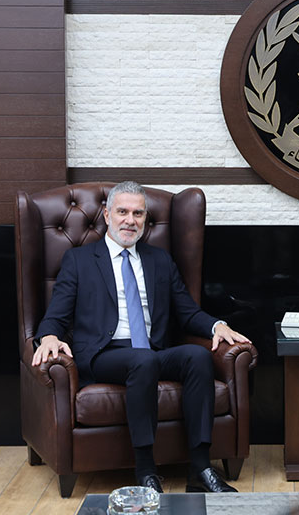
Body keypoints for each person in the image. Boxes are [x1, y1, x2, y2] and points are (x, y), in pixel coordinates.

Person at [31, 181, 251, 493]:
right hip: (104, 354)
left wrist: (217, 326)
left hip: (151, 351)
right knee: (143, 360)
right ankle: (146, 471)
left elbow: (187, 312)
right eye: (122, 212)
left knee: (198, 357)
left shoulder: (159, 260)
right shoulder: (79, 260)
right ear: (107, 215)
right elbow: (57, 314)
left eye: (138, 213)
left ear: (146, 219)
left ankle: (200, 469)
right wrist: (48, 336)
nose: (130, 220)